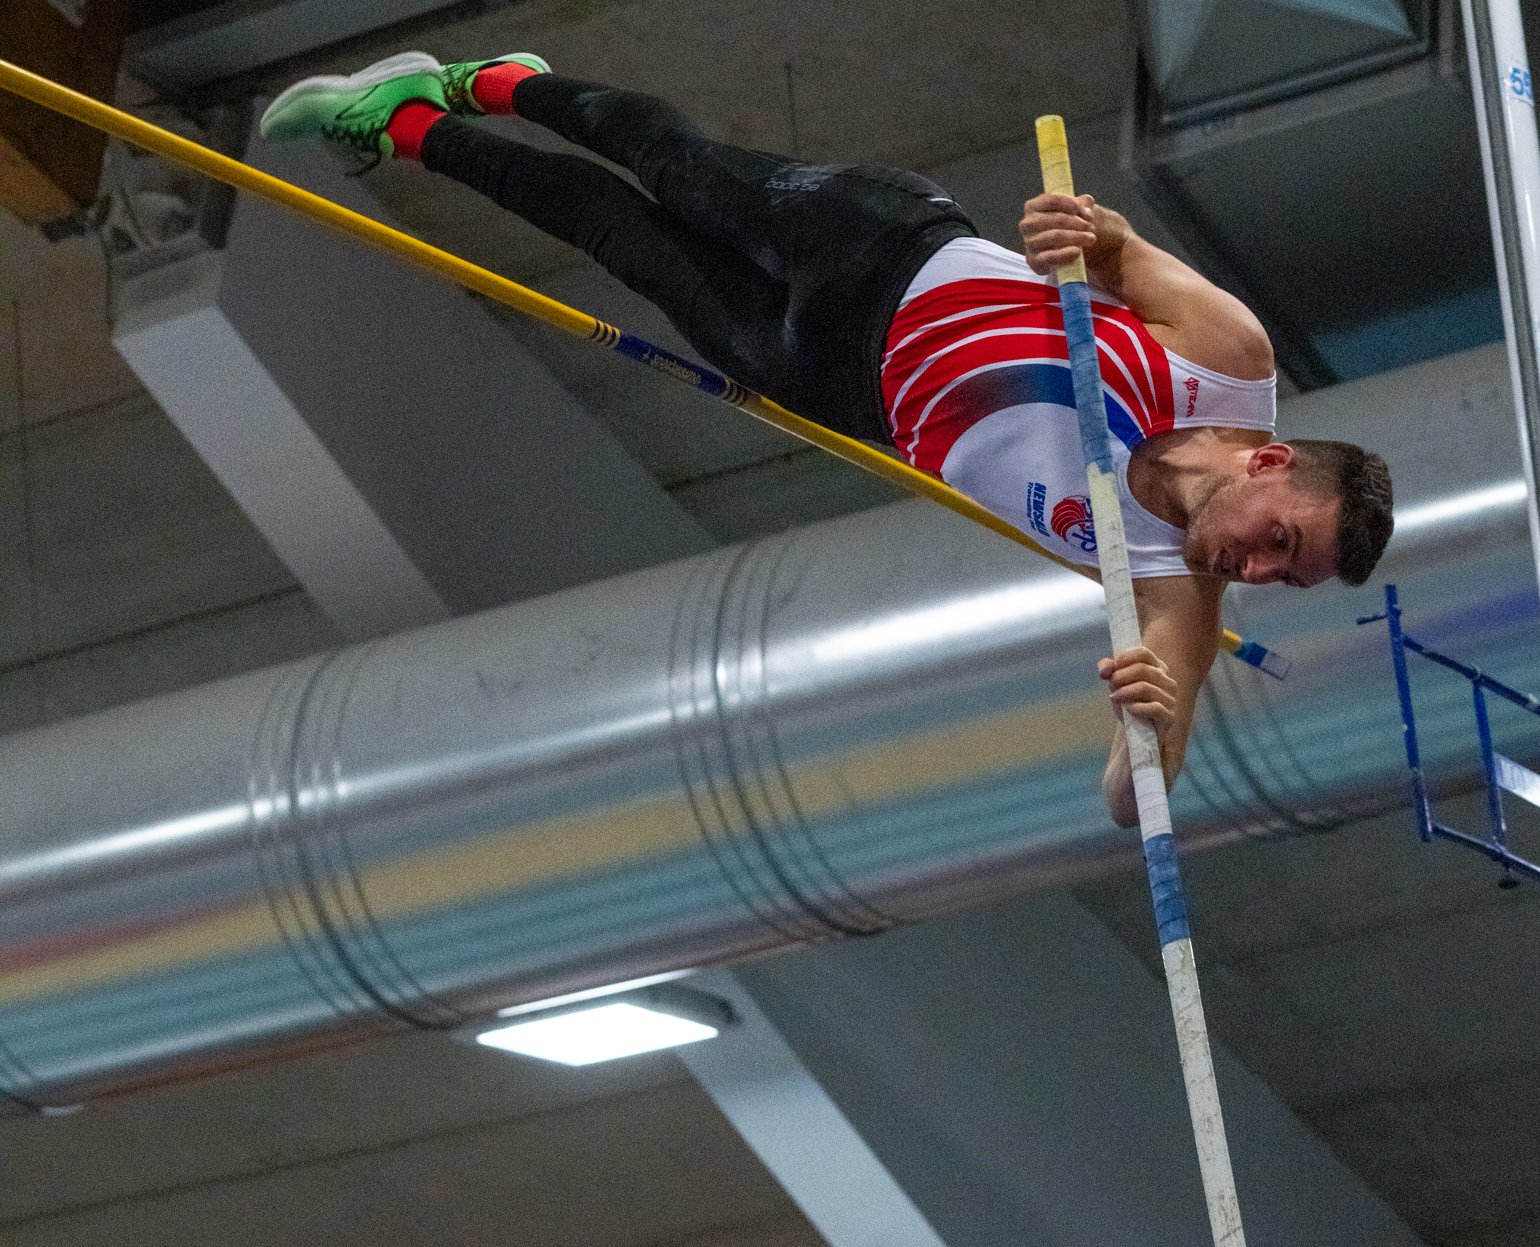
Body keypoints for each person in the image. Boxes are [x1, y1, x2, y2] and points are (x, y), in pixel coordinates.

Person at [262, 52, 1394, 825]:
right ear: (1267, 461)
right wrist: (1082, 229)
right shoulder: (1228, 359)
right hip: (882, 246)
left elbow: (1132, 792)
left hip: (833, 382)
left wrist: (1141, 735)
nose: (1254, 570)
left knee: (612, 235)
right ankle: (495, 81)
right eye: (1278, 541)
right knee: (672, 165)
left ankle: (404, 127)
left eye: (1276, 580)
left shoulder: (1169, 592)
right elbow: (1113, 249)